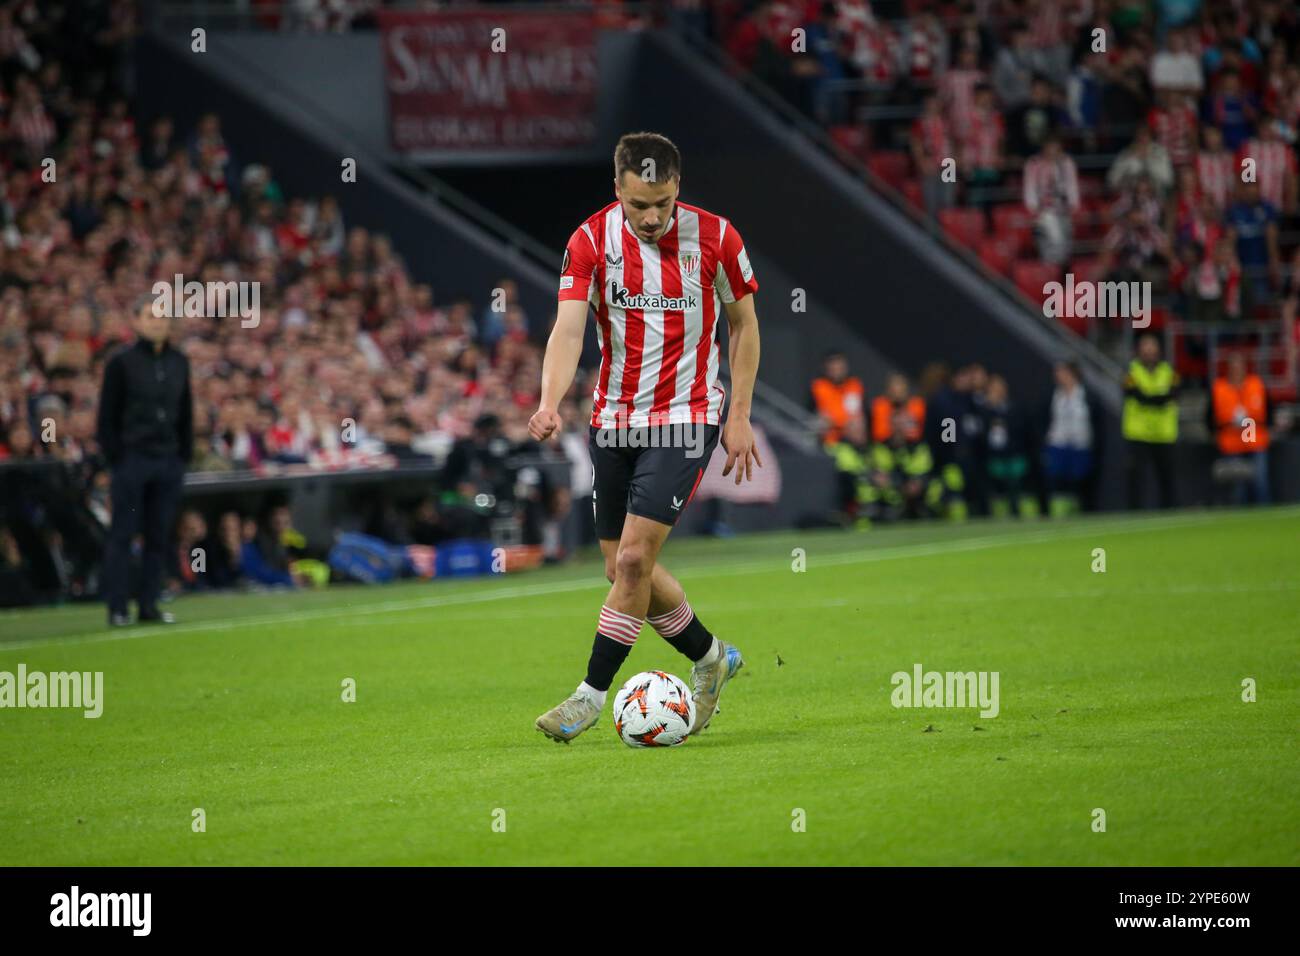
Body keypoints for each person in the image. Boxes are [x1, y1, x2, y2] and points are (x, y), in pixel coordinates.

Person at [529, 132, 760, 743]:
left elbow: (744, 325)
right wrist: (549, 401)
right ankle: (710, 657)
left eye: (661, 202)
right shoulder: (588, 241)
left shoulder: (717, 237)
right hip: (613, 420)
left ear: (677, 186)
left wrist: (738, 413)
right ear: (618, 190)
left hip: (687, 416)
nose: (652, 217)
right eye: (639, 205)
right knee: (620, 567)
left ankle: (589, 697)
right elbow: (568, 330)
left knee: (634, 558)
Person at [96, 299, 193, 626]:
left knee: (159, 536)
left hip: (167, 459)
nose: (157, 322)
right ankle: (118, 607)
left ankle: (149, 604)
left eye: (163, 316)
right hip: (132, 459)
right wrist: (117, 458)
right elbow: (106, 416)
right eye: (150, 316)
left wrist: (183, 456)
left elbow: (186, 413)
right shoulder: (121, 363)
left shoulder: (179, 361)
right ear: (135, 321)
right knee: (123, 533)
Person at [1123, 334, 1180, 509]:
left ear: (1159, 349)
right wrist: (1158, 398)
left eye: (1151, 346)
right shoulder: (1131, 372)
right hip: (1138, 434)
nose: (1148, 350)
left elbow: (1174, 394)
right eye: (1145, 346)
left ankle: (1169, 514)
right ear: (1139, 349)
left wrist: (1150, 397)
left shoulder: (1169, 372)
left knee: (1167, 478)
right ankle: (1134, 515)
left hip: (1164, 434)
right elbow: (1134, 394)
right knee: (1136, 479)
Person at [1210, 352, 1271, 504]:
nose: (1237, 369)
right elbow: (1210, 415)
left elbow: (1269, 410)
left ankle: (1264, 513)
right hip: (1231, 442)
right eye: (1233, 366)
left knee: (1260, 481)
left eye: (1239, 365)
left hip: (1255, 441)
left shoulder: (1256, 384)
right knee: (1237, 486)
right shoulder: (1220, 387)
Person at [810, 350, 864, 446]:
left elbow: (861, 414)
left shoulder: (855, 385)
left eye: (839, 366)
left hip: (854, 441)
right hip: (829, 442)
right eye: (833, 366)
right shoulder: (818, 386)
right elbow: (812, 415)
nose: (836, 370)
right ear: (826, 368)